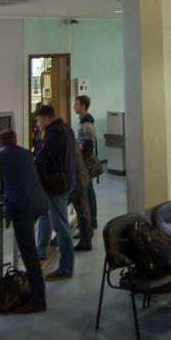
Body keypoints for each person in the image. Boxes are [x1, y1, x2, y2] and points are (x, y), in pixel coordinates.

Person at [0, 129, 49, 313]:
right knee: (28, 249)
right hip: (39, 201)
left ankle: (38, 299)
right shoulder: (26, 153)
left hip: (22, 206)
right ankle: (32, 290)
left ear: (1, 142)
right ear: (16, 140)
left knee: (29, 254)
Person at [32, 104, 77, 280]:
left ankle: (66, 268)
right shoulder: (65, 129)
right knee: (45, 214)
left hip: (56, 186)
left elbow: (42, 157)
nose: (37, 124)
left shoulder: (54, 133)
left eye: (38, 120)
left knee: (61, 227)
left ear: (45, 118)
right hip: (63, 182)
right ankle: (41, 250)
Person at [73, 95, 99, 249]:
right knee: (89, 193)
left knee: (88, 194)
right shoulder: (84, 121)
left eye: (76, 104)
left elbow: (88, 145)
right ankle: (90, 223)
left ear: (83, 106)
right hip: (84, 163)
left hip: (85, 164)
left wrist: (78, 150)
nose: (74, 106)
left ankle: (90, 223)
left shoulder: (87, 123)